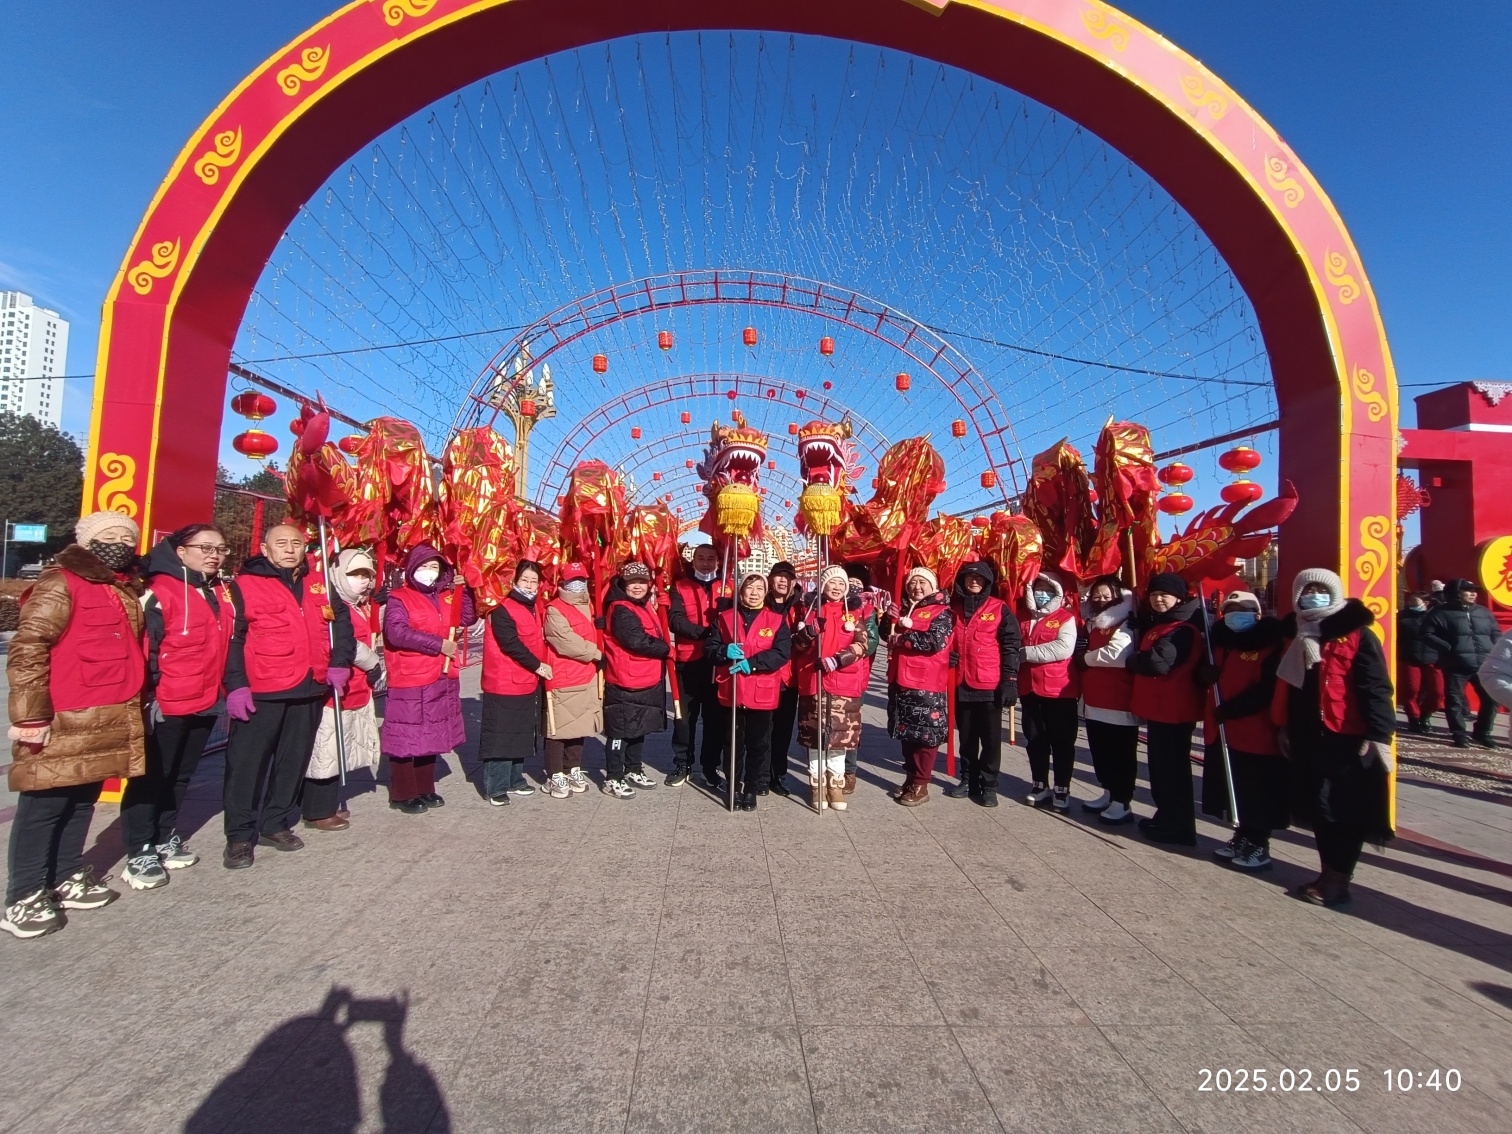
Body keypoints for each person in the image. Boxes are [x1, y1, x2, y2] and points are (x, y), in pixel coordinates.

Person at [4, 511, 145, 938]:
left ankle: (66, 873)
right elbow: (30, 649)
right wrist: (30, 716)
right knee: (44, 806)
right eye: (109, 535)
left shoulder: (120, 588)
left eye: (126, 536)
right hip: (63, 713)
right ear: (84, 540)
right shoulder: (59, 582)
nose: (119, 542)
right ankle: (24, 894)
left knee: (82, 799)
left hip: (108, 711)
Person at [222, 524, 355, 869]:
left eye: (296, 543)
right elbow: (232, 639)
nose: (290, 549)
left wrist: (340, 662)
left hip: (310, 686)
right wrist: (235, 684)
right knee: (247, 766)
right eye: (280, 543)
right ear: (265, 549)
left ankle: (275, 822)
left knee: (292, 761)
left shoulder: (319, 582)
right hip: (262, 690)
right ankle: (239, 835)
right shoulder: (243, 585)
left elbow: (342, 623)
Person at [120, 524, 233, 890]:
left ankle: (164, 833)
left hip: (205, 699)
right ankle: (139, 850)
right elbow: (145, 648)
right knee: (152, 777)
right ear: (180, 551)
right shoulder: (158, 591)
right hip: (166, 702)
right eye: (205, 547)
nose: (214, 554)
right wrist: (148, 697)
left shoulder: (217, 591)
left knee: (182, 775)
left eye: (220, 548)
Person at [1277, 569, 1394, 908]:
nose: (1313, 595)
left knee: (1345, 807)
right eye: (1307, 589)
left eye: (1320, 589)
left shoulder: (1356, 634)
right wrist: (1285, 727)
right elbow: (1291, 690)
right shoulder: (1297, 632)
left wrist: (1379, 734)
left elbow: (1376, 687)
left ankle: (1340, 879)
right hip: (1308, 734)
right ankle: (1327, 871)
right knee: (1320, 806)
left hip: (1348, 735)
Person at [382, 545, 475, 813]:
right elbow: (396, 632)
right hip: (411, 676)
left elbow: (466, 617)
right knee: (405, 735)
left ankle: (425, 787)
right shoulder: (399, 598)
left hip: (440, 676)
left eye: (434, 567)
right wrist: (437, 644)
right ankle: (403, 793)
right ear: (411, 569)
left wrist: (463, 591)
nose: (428, 572)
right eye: (423, 567)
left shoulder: (446, 596)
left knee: (430, 734)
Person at [1199, 591, 1287, 870]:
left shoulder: (1271, 644)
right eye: (1231, 609)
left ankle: (1259, 844)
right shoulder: (1221, 642)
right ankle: (1242, 835)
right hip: (1224, 730)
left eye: (1244, 608)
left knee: (1256, 789)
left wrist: (1234, 708)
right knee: (1234, 785)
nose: (1237, 614)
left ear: (1258, 613)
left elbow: (1267, 688)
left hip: (1254, 730)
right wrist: (1205, 674)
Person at [303, 549, 384, 832]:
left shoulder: (361, 605)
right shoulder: (330, 604)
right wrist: (370, 661)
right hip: (335, 688)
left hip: (357, 687)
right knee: (325, 749)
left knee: (339, 748)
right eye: (356, 574)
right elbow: (341, 639)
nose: (363, 581)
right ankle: (317, 809)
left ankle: (324, 803)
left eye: (367, 575)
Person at [1128, 572, 1206, 847]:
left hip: (1175, 710)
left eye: (1164, 595)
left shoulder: (1182, 628)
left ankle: (1180, 827)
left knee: (1173, 772)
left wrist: (1133, 660)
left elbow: (1158, 664)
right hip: (1160, 709)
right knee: (1160, 770)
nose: (1159, 600)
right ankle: (1166, 815)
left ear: (1179, 597)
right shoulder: (1165, 623)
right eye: (1154, 595)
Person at [707, 573, 792, 810]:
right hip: (732, 689)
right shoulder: (725, 618)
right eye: (749, 587)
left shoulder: (776, 620)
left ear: (766, 593)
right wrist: (724, 651)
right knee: (732, 742)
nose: (754, 593)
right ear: (740, 590)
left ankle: (751, 788)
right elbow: (710, 648)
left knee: (758, 743)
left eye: (759, 588)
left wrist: (753, 662)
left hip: (762, 691)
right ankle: (733, 786)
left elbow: (782, 652)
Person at [793, 566, 870, 810]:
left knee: (838, 738)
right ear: (822, 586)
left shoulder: (854, 613)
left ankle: (835, 785)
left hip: (842, 683)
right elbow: (796, 645)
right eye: (831, 583)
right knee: (815, 737)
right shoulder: (808, 610)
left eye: (840, 584)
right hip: (813, 681)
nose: (835, 588)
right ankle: (817, 786)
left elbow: (862, 644)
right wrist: (810, 631)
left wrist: (838, 659)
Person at [947, 561, 1021, 807]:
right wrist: (946, 655)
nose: (974, 582)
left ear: (988, 582)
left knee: (990, 739)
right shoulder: (952, 609)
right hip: (960, 682)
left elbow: (1011, 646)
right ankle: (968, 779)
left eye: (979, 578)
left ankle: (989, 784)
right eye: (969, 578)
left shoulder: (1000, 609)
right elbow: (942, 638)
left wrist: (1010, 681)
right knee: (967, 738)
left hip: (989, 683)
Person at [476, 560, 549, 805]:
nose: (529, 585)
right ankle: (495, 786)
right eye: (524, 579)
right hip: (503, 681)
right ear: (515, 580)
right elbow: (510, 643)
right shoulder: (502, 607)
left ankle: (515, 778)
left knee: (521, 733)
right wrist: (537, 665)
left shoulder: (534, 606)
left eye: (533, 581)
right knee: (501, 736)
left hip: (526, 681)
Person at [602, 561, 670, 798]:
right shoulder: (621, 608)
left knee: (638, 727)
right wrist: (665, 649)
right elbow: (636, 640)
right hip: (625, 678)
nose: (638, 586)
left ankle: (633, 768)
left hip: (643, 677)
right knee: (620, 730)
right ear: (624, 583)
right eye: (633, 582)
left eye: (642, 581)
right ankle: (613, 776)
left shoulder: (641, 606)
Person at [887, 567, 954, 806]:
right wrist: (891, 621)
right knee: (907, 733)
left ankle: (922, 783)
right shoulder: (906, 608)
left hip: (926, 683)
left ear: (932, 586)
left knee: (925, 735)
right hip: (901, 680)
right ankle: (910, 777)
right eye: (912, 582)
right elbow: (892, 635)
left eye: (922, 582)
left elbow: (935, 641)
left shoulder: (942, 612)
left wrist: (903, 637)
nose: (916, 587)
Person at [1077, 574, 1138, 824]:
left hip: (1118, 699)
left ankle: (1122, 800)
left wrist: (1086, 658)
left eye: (1106, 595)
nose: (1101, 599)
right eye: (1097, 595)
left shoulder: (1125, 620)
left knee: (1120, 753)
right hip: (1094, 697)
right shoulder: (1092, 623)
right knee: (1100, 751)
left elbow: (1118, 655)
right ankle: (1108, 792)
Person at [1017, 573, 1079, 811]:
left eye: (1048, 589)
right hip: (1029, 687)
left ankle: (1062, 787)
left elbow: (1063, 648)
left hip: (1059, 689)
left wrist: (1025, 653)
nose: (1042, 594)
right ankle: (1039, 784)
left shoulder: (1066, 617)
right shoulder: (1022, 616)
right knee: (1035, 740)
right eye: (1038, 588)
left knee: (1062, 742)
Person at [665, 543, 724, 789]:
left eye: (711, 558)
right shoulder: (679, 586)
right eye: (701, 558)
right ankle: (682, 764)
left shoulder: (728, 585)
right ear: (693, 560)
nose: (706, 563)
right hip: (687, 661)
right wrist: (706, 633)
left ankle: (710, 767)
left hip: (717, 663)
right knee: (684, 718)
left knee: (715, 719)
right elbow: (675, 620)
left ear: (718, 561)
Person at [542, 561, 602, 798]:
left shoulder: (590, 605)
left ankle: (573, 768)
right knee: (559, 729)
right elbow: (564, 641)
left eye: (582, 580)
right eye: (572, 580)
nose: (578, 585)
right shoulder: (555, 608)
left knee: (580, 726)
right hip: (565, 676)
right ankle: (556, 774)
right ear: (563, 583)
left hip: (587, 675)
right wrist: (596, 653)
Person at [1421, 578, 1502, 748]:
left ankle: (1482, 732)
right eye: (1468, 590)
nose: (1473, 593)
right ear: (1456, 593)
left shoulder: (1483, 612)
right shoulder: (1439, 613)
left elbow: (1495, 632)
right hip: (1456, 664)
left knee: (1491, 699)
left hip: (1483, 664)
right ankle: (1459, 734)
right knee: (1455, 701)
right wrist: (1448, 647)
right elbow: (1426, 633)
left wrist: (1494, 650)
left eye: (1474, 590)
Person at [765, 560, 801, 796]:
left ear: (793, 582)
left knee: (783, 730)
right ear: (770, 579)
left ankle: (778, 774)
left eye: (787, 577)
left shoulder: (803, 607)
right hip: (764, 675)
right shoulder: (760, 603)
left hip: (789, 678)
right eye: (778, 576)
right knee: (761, 729)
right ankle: (758, 773)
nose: (782, 581)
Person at [1395, 591, 1442, 734]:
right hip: (1409, 657)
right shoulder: (1401, 616)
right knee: (1411, 690)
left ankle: (1426, 715)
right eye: (1410, 602)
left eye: (1414, 602)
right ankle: (1414, 718)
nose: (1411, 604)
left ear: (1425, 603)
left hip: (1433, 658)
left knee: (1438, 691)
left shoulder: (1436, 616)